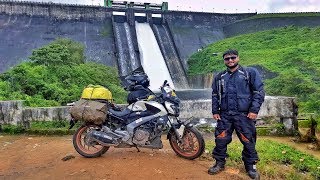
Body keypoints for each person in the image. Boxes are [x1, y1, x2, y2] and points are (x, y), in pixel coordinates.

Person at [208, 49, 265, 179]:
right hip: (225, 115)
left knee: (248, 140)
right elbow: (215, 95)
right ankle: (219, 163)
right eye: (227, 59)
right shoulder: (219, 77)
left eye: (233, 58)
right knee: (220, 139)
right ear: (224, 61)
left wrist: (253, 110)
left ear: (238, 58)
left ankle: (250, 167)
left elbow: (258, 92)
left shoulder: (249, 73)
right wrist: (215, 111)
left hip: (244, 115)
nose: (230, 60)